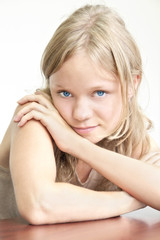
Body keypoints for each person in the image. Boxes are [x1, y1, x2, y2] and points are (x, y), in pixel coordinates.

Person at [0, 4, 160, 225]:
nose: (80, 113)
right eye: (64, 93)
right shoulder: (36, 114)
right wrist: (132, 199)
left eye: (99, 93)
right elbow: (38, 205)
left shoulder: (132, 138)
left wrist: (76, 145)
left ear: (132, 83)